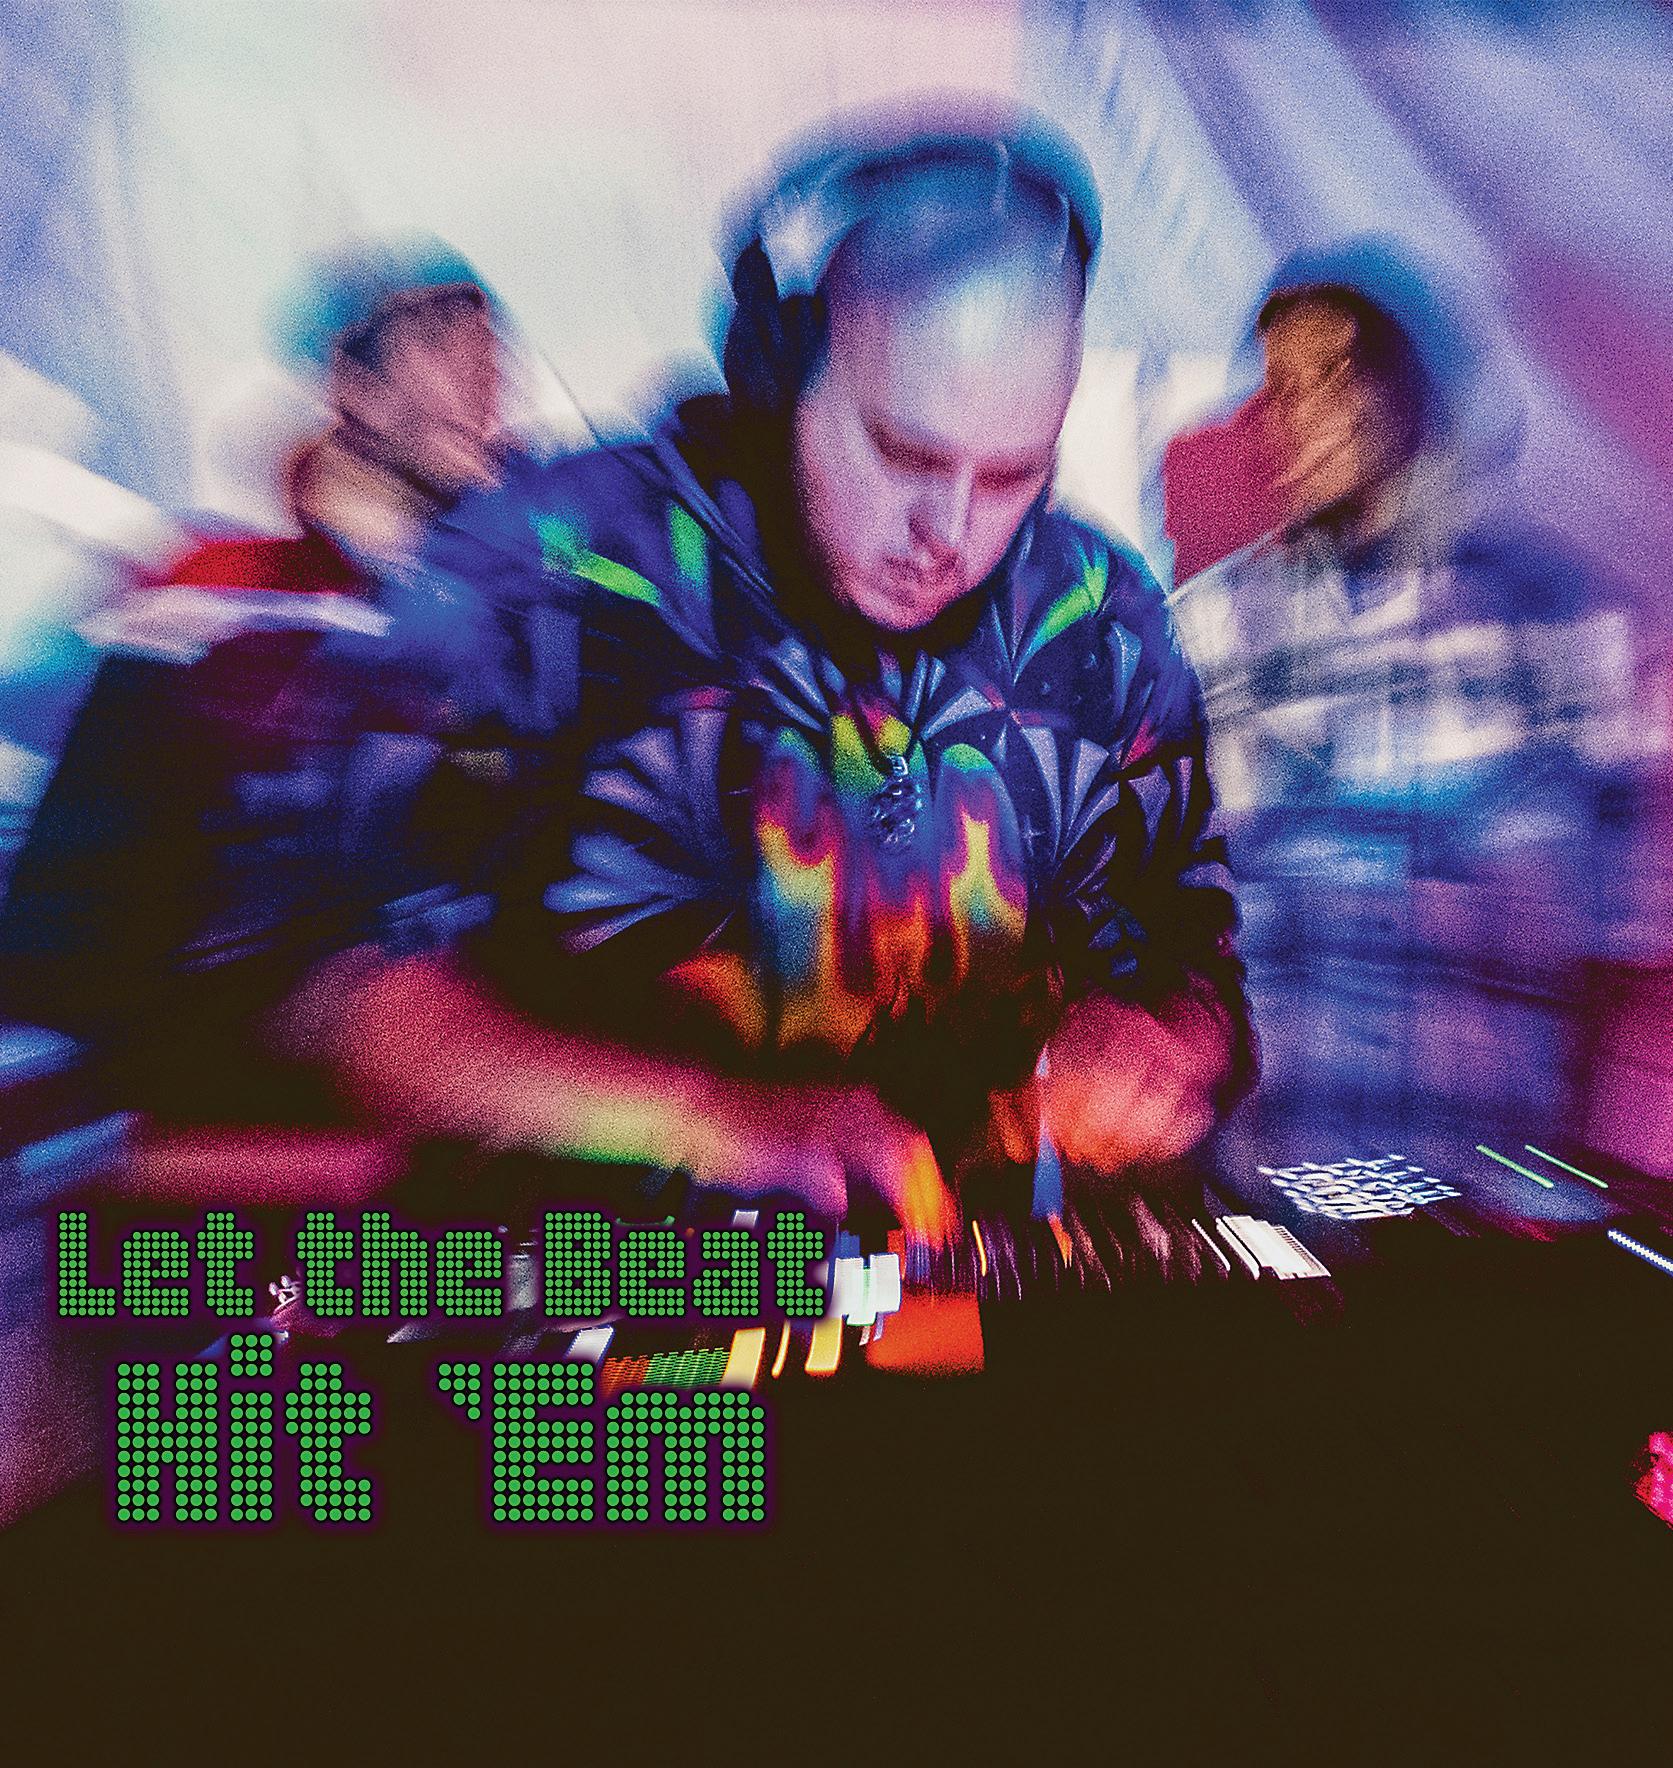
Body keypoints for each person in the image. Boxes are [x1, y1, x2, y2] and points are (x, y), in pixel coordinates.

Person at [300, 111, 1255, 1231]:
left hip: (981, 1291)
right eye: (903, 452)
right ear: (776, 369)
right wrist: (710, 1118)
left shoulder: (1100, 617)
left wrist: (1157, 1042)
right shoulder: (535, 571)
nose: (947, 532)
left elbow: (1202, 975)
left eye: (1011, 477)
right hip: (618, 1298)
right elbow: (335, 993)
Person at [0, 238, 530, 1201]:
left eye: (492, 352)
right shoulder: (217, 595)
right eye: (437, 346)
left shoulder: (519, 622)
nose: (483, 383)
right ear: (353, 388)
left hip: (474, 1110)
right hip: (252, 1156)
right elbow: (70, 933)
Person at [1168, 237, 1638, 1139]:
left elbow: (1617, 966)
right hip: (1278, 1173)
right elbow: (1166, 935)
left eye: (1334, 373)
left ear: (1422, 385)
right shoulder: (1209, 632)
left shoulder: (1562, 623)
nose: (1296, 413)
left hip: (1491, 1180)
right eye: (1277, 386)